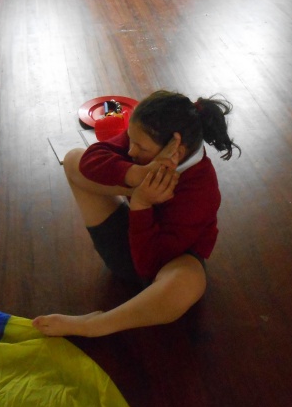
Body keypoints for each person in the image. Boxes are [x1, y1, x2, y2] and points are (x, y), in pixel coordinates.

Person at [32, 90, 240, 337]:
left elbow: (149, 266)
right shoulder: (144, 137)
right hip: (129, 244)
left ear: (176, 150)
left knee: (189, 282)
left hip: (163, 266)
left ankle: (94, 326)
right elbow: (91, 159)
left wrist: (141, 203)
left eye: (140, 147)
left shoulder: (201, 191)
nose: (131, 151)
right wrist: (137, 176)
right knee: (73, 159)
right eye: (130, 139)